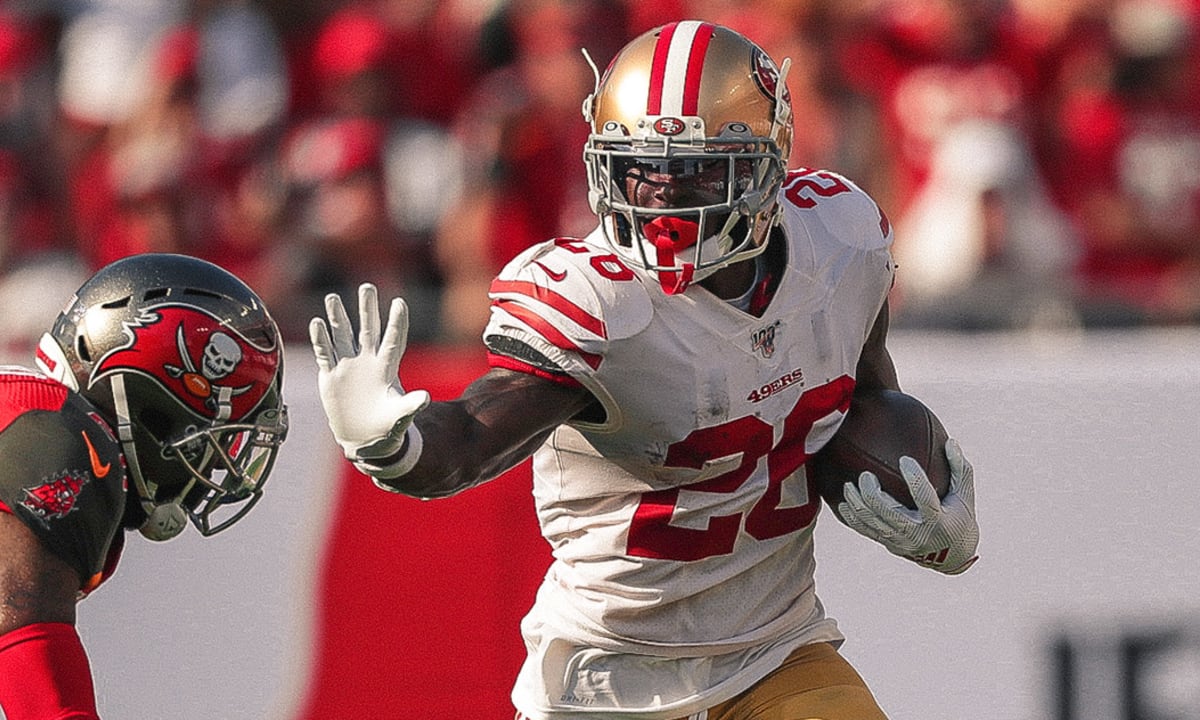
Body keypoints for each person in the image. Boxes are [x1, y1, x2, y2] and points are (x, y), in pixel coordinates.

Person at [311, 21, 978, 719]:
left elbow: (867, 404)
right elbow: (466, 444)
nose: (660, 198)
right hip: (608, 684)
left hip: (776, 652)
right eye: (639, 169)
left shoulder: (836, 239)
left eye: (692, 171)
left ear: (766, 163)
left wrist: (931, 516)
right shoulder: (600, 302)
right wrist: (391, 441)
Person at [0, 253, 288, 720]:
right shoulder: (52, 437)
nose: (218, 462)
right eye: (212, 431)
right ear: (149, 398)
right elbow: (33, 670)